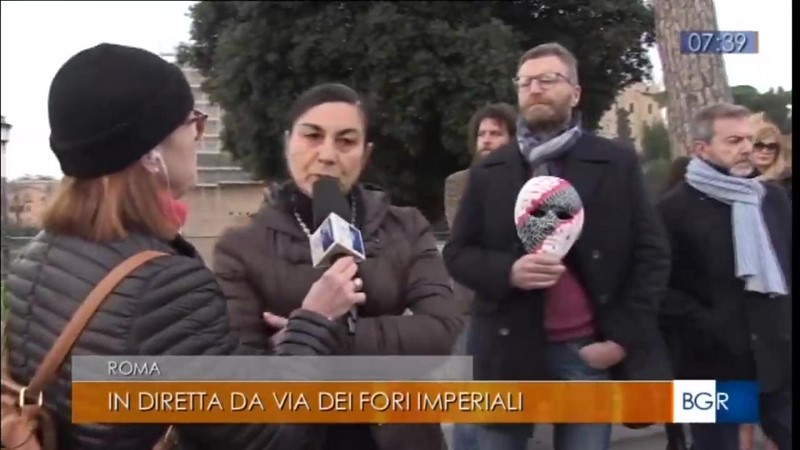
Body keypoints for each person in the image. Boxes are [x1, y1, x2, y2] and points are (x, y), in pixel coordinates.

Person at [2, 43, 363, 450]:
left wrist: (268, 351)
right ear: (151, 152)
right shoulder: (164, 283)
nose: (198, 135)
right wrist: (316, 320)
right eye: (193, 121)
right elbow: (272, 436)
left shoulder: (37, 257)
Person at [442, 42, 671, 450]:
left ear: (576, 93)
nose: (535, 89)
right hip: (507, 352)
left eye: (548, 79)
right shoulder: (490, 170)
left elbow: (651, 254)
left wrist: (620, 340)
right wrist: (508, 272)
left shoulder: (615, 162)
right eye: (525, 82)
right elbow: (457, 253)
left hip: (586, 351)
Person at [212, 83, 463, 450]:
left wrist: (321, 334)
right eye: (312, 136)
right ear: (288, 142)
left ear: (365, 153)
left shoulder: (405, 226)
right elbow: (243, 372)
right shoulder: (240, 246)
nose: (327, 155)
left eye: (346, 141)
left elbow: (442, 330)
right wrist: (317, 321)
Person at [658, 103, 792, 450]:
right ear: (701, 149)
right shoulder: (671, 209)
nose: (747, 148)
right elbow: (658, 286)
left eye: (749, 139)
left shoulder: (772, 199)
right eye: (734, 141)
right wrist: (710, 323)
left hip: (778, 359)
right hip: (708, 365)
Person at [443, 103, 517, 450]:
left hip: (516, 303)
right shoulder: (460, 182)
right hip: (472, 300)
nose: (486, 140)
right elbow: (466, 237)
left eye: (496, 133)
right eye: (482, 134)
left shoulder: (530, 179)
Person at [750, 122, 792, 201]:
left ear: (778, 151)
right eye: (759, 145)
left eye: (771, 146)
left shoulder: (787, 180)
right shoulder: (742, 176)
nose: (765, 151)